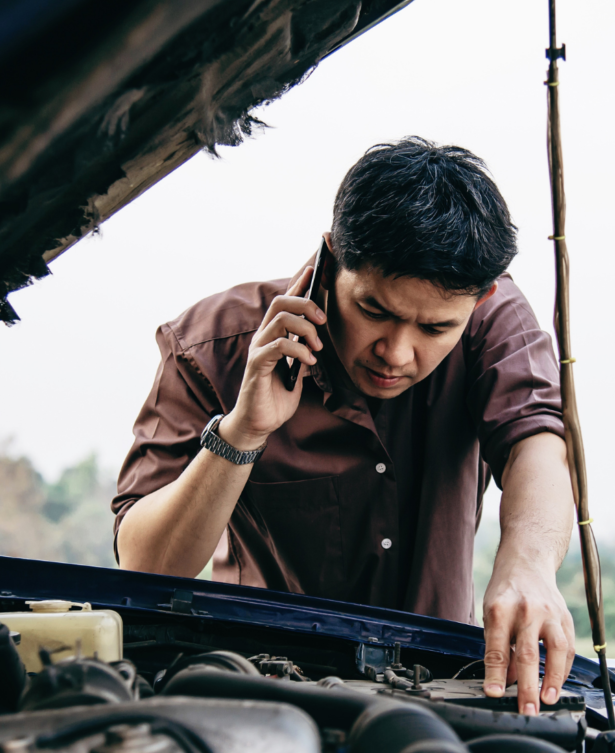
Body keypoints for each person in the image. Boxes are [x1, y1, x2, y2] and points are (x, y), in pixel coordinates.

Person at [112, 137, 577, 715]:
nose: (397, 353)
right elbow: (144, 567)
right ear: (332, 258)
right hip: (258, 693)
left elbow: (537, 440)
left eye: (434, 329)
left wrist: (529, 565)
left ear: (480, 299)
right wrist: (242, 433)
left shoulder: (494, 317)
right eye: (375, 311)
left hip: (435, 695)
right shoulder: (212, 348)